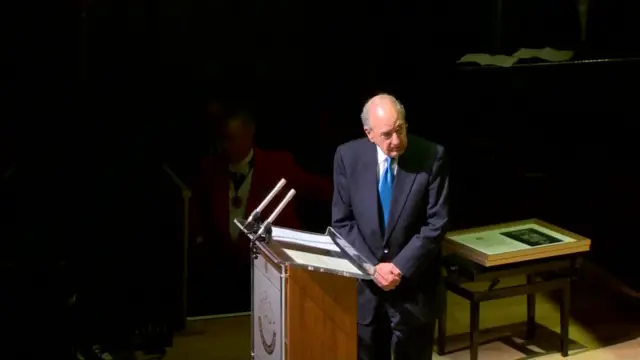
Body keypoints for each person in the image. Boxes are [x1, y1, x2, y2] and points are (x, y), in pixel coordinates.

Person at [331, 94, 449, 360]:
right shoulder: (347, 157)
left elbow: (436, 222)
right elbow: (342, 222)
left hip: (414, 290)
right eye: (387, 134)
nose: (396, 141)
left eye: (400, 129)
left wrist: (398, 267)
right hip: (367, 293)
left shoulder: (432, 155)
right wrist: (374, 267)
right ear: (369, 133)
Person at [190, 105, 332, 315]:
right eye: (222, 140)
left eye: (231, 139)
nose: (225, 146)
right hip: (223, 275)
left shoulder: (278, 164)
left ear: (249, 135)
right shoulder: (210, 168)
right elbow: (197, 214)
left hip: (270, 271)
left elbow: (318, 188)